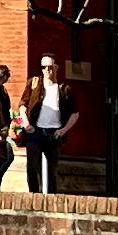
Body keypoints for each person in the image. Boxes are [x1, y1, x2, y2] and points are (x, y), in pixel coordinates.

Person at [19, 54, 71, 194]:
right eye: (44, 67)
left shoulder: (64, 88)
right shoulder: (34, 83)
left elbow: (75, 113)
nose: (47, 70)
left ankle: (50, 198)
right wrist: (26, 122)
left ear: (56, 67)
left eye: (50, 67)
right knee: (33, 167)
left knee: (51, 168)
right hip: (35, 131)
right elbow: (23, 104)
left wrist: (63, 130)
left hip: (54, 133)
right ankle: (34, 196)